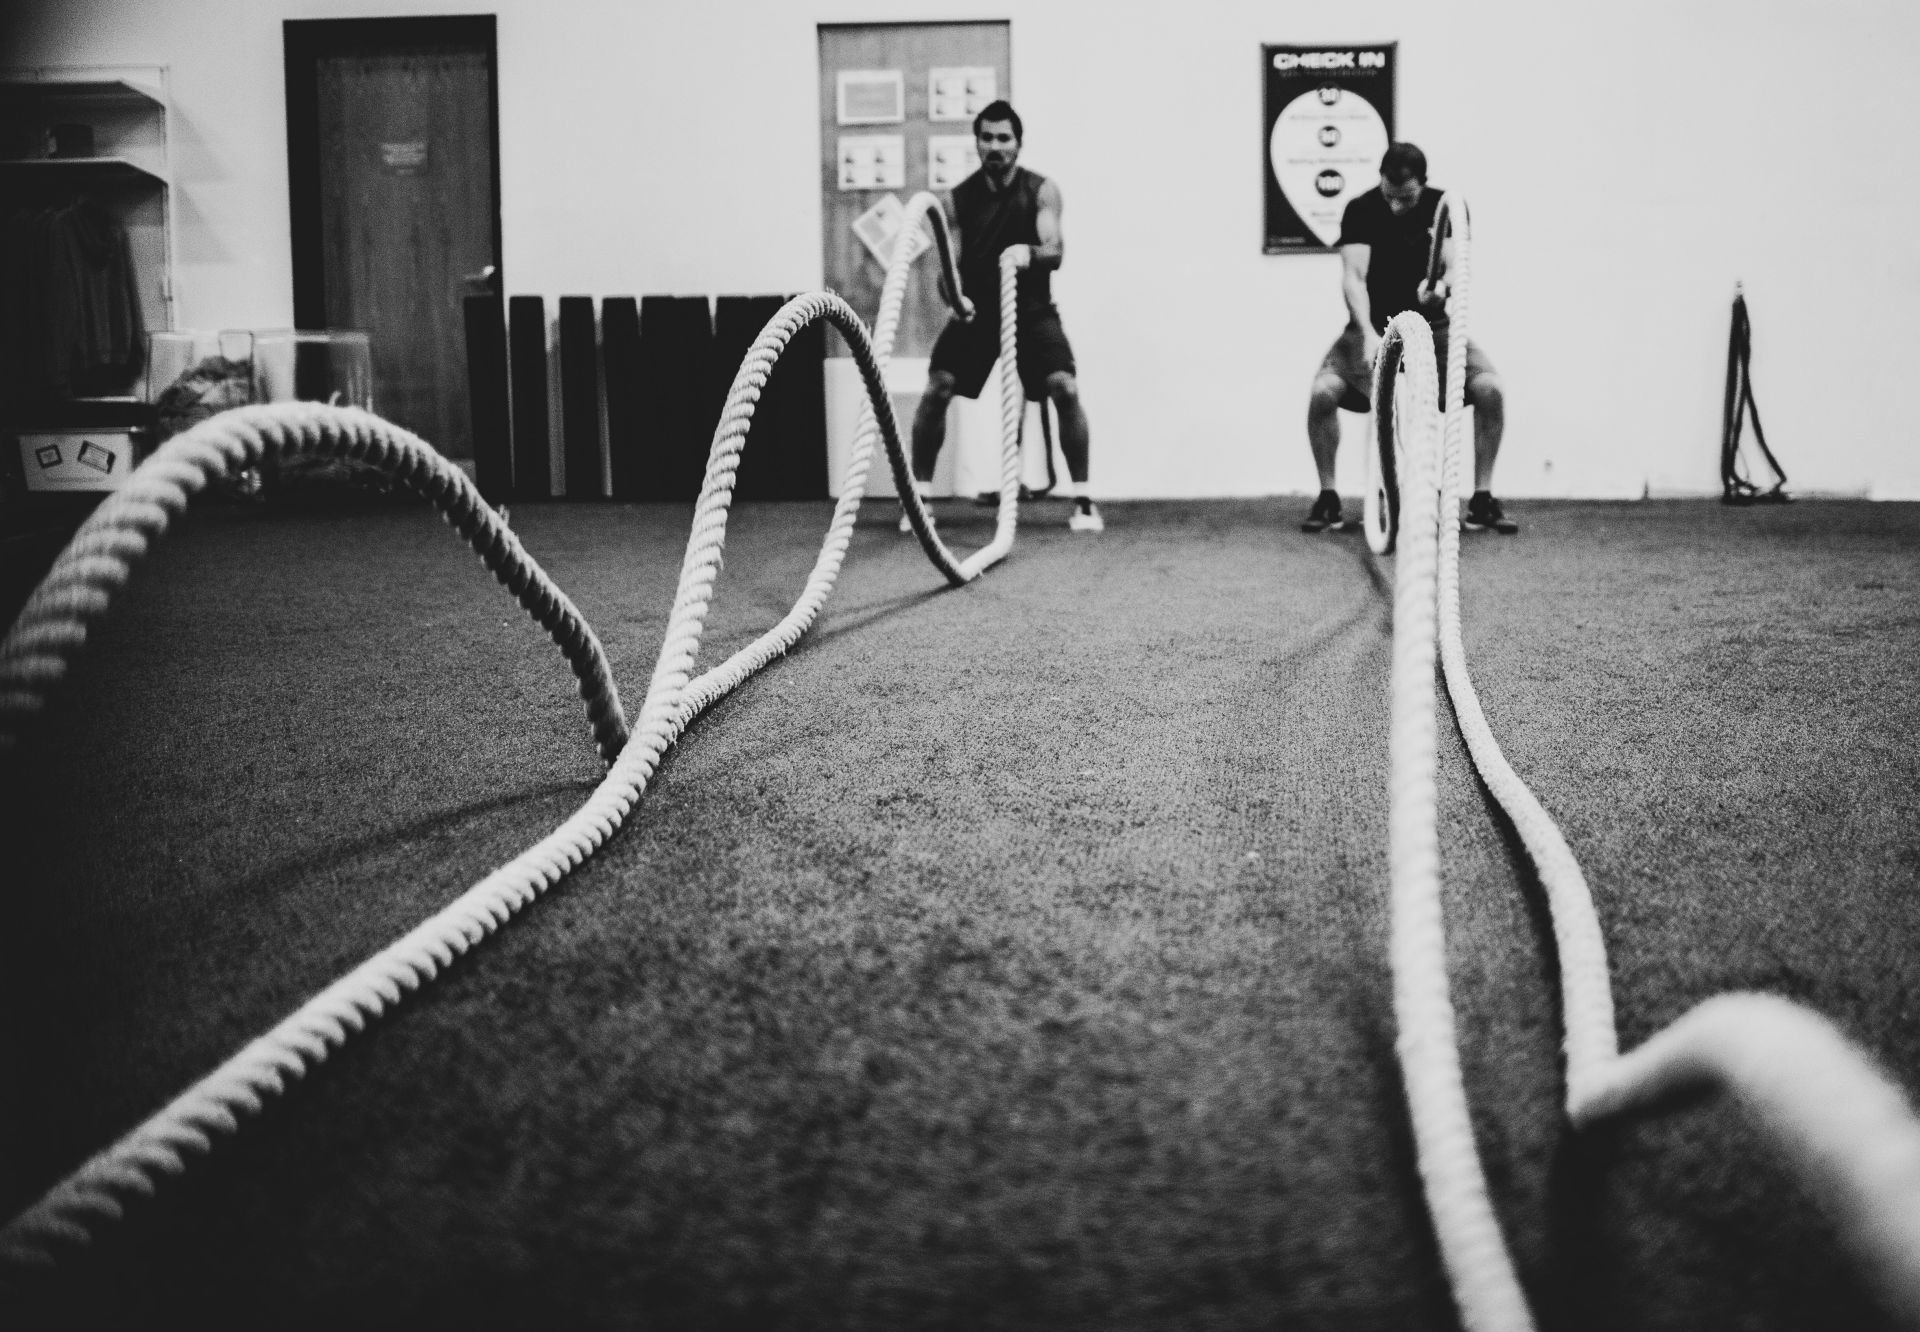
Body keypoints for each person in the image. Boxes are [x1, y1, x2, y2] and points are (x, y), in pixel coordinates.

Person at [905, 100, 1101, 533]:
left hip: (1031, 310)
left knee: (1063, 387)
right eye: (987, 138)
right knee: (938, 387)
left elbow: (1056, 252)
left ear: (1018, 143)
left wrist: (1027, 253)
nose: (995, 146)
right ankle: (919, 503)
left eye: (1004, 138)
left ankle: (1084, 500)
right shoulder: (955, 201)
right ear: (977, 143)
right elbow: (947, 272)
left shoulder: (1042, 190)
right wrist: (955, 300)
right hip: (977, 312)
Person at [1302, 141, 1515, 534]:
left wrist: (1442, 288)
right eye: (1390, 196)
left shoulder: (1447, 206)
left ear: (1423, 184)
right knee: (1322, 393)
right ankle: (1329, 498)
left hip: (1433, 325)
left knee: (1490, 390)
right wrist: (1366, 332)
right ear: (1380, 181)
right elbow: (1354, 276)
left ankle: (1482, 498)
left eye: (1406, 198)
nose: (1397, 205)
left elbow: (1454, 266)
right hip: (1371, 325)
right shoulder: (1362, 209)